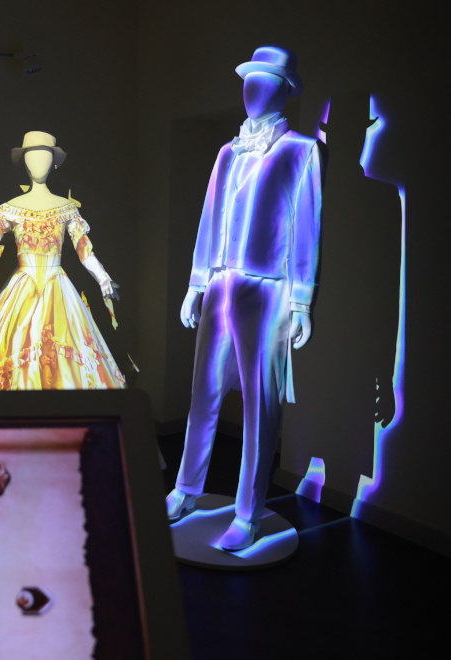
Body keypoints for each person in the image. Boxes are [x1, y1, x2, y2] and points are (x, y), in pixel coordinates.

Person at [166, 46, 323, 551]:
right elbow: (209, 217)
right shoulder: (228, 152)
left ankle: (249, 511)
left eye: (264, 81)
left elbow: (307, 229)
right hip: (221, 281)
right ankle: (187, 488)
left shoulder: (301, 150)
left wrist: (301, 301)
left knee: (261, 402)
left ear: (284, 89)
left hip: (268, 286)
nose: (252, 90)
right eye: (248, 80)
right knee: (203, 393)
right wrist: (196, 284)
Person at [0, 131, 126, 390]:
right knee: (16, 346)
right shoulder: (10, 208)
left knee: (63, 351)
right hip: (22, 286)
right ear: (25, 162)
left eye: (44, 157)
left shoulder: (66, 208)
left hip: (58, 286)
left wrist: (104, 279)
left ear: (53, 163)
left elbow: (84, 250)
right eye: (33, 157)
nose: (39, 163)